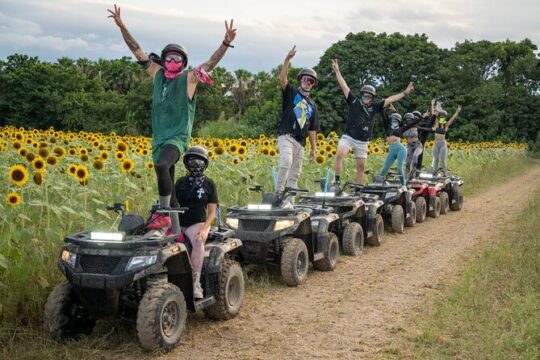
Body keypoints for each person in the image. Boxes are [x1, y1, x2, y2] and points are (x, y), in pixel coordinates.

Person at [108, 4, 236, 235]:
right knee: (168, 183)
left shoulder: (188, 79)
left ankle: (163, 215)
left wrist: (225, 43)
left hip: (177, 138)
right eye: (169, 57)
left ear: (183, 61)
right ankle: (176, 234)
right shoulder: (157, 75)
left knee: (161, 165)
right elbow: (137, 50)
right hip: (159, 139)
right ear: (164, 60)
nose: (172, 60)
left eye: (177, 57)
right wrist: (122, 26)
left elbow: (209, 64)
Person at [330, 59, 414, 185]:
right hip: (349, 136)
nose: (366, 98)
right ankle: (336, 182)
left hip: (363, 141)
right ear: (361, 94)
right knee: (340, 154)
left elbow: (390, 99)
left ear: (372, 98)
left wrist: (404, 93)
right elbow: (344, 86)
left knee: (361, 167)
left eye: (369, 96)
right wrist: (337, 71)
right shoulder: (353, 101)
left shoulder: (374, 107)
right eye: (365, 95)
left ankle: (358, 189)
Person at [275, 46, 319, 205]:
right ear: (300, 79)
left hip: (301, 142)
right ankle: (278, 194)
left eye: (311, 81)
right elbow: (282, 79)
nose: (308, 83)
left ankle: (289, 202)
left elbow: (312, 129)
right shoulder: (292, 93)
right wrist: (286, 60)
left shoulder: (313, 106)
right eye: (305, 79)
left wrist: (314, 149)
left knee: (295, 173)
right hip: (286, 135)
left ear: (313, 84)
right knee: (285, 162)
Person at [174, 146, 218, 299]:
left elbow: (212, 212)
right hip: (178, 223)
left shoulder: (210, 184)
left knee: (199, 241)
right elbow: (172, 204)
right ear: (186, 163)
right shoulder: (180, 182)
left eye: (199, 161)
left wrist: (205, 229)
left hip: (197, 223)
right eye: (192, 160)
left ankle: (195, 283)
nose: (195, 164)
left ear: (205, 164)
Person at [378, 106, 421, 186]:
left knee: (399, 169)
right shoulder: (388, 128)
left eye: (396, 120)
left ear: (398, 121)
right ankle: (378, 183)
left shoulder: (401, 129)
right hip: (392, 150)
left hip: (400, 149)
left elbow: (412, 123)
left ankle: (403, 185)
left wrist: (422, 117)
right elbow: (383, 117)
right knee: (384, 168)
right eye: (393, 120)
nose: (394, 121)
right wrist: (382, 108)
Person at [431, 103, 462, 172]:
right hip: (436, 143)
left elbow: (452, 118)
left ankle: (444, 173)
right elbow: (433, 114)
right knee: (436, 159)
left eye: (443, 117)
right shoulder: (436, 124)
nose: (442, 118)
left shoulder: (446, 125)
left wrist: (457, 111)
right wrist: (432, 105)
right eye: (441, 117)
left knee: (442, 159)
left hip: (443, 144)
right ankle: (435, 172)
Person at [404, 110, 425, 180]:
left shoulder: (416, 126)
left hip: (418, 145)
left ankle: (413, 173)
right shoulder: (404, 128)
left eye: (410, 120)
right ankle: (407, 176)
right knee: (407, 163)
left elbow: (424, 128)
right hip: (409, 146)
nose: (408, 121)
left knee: (415, 157)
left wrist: (432, 129)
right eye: (407, 120)